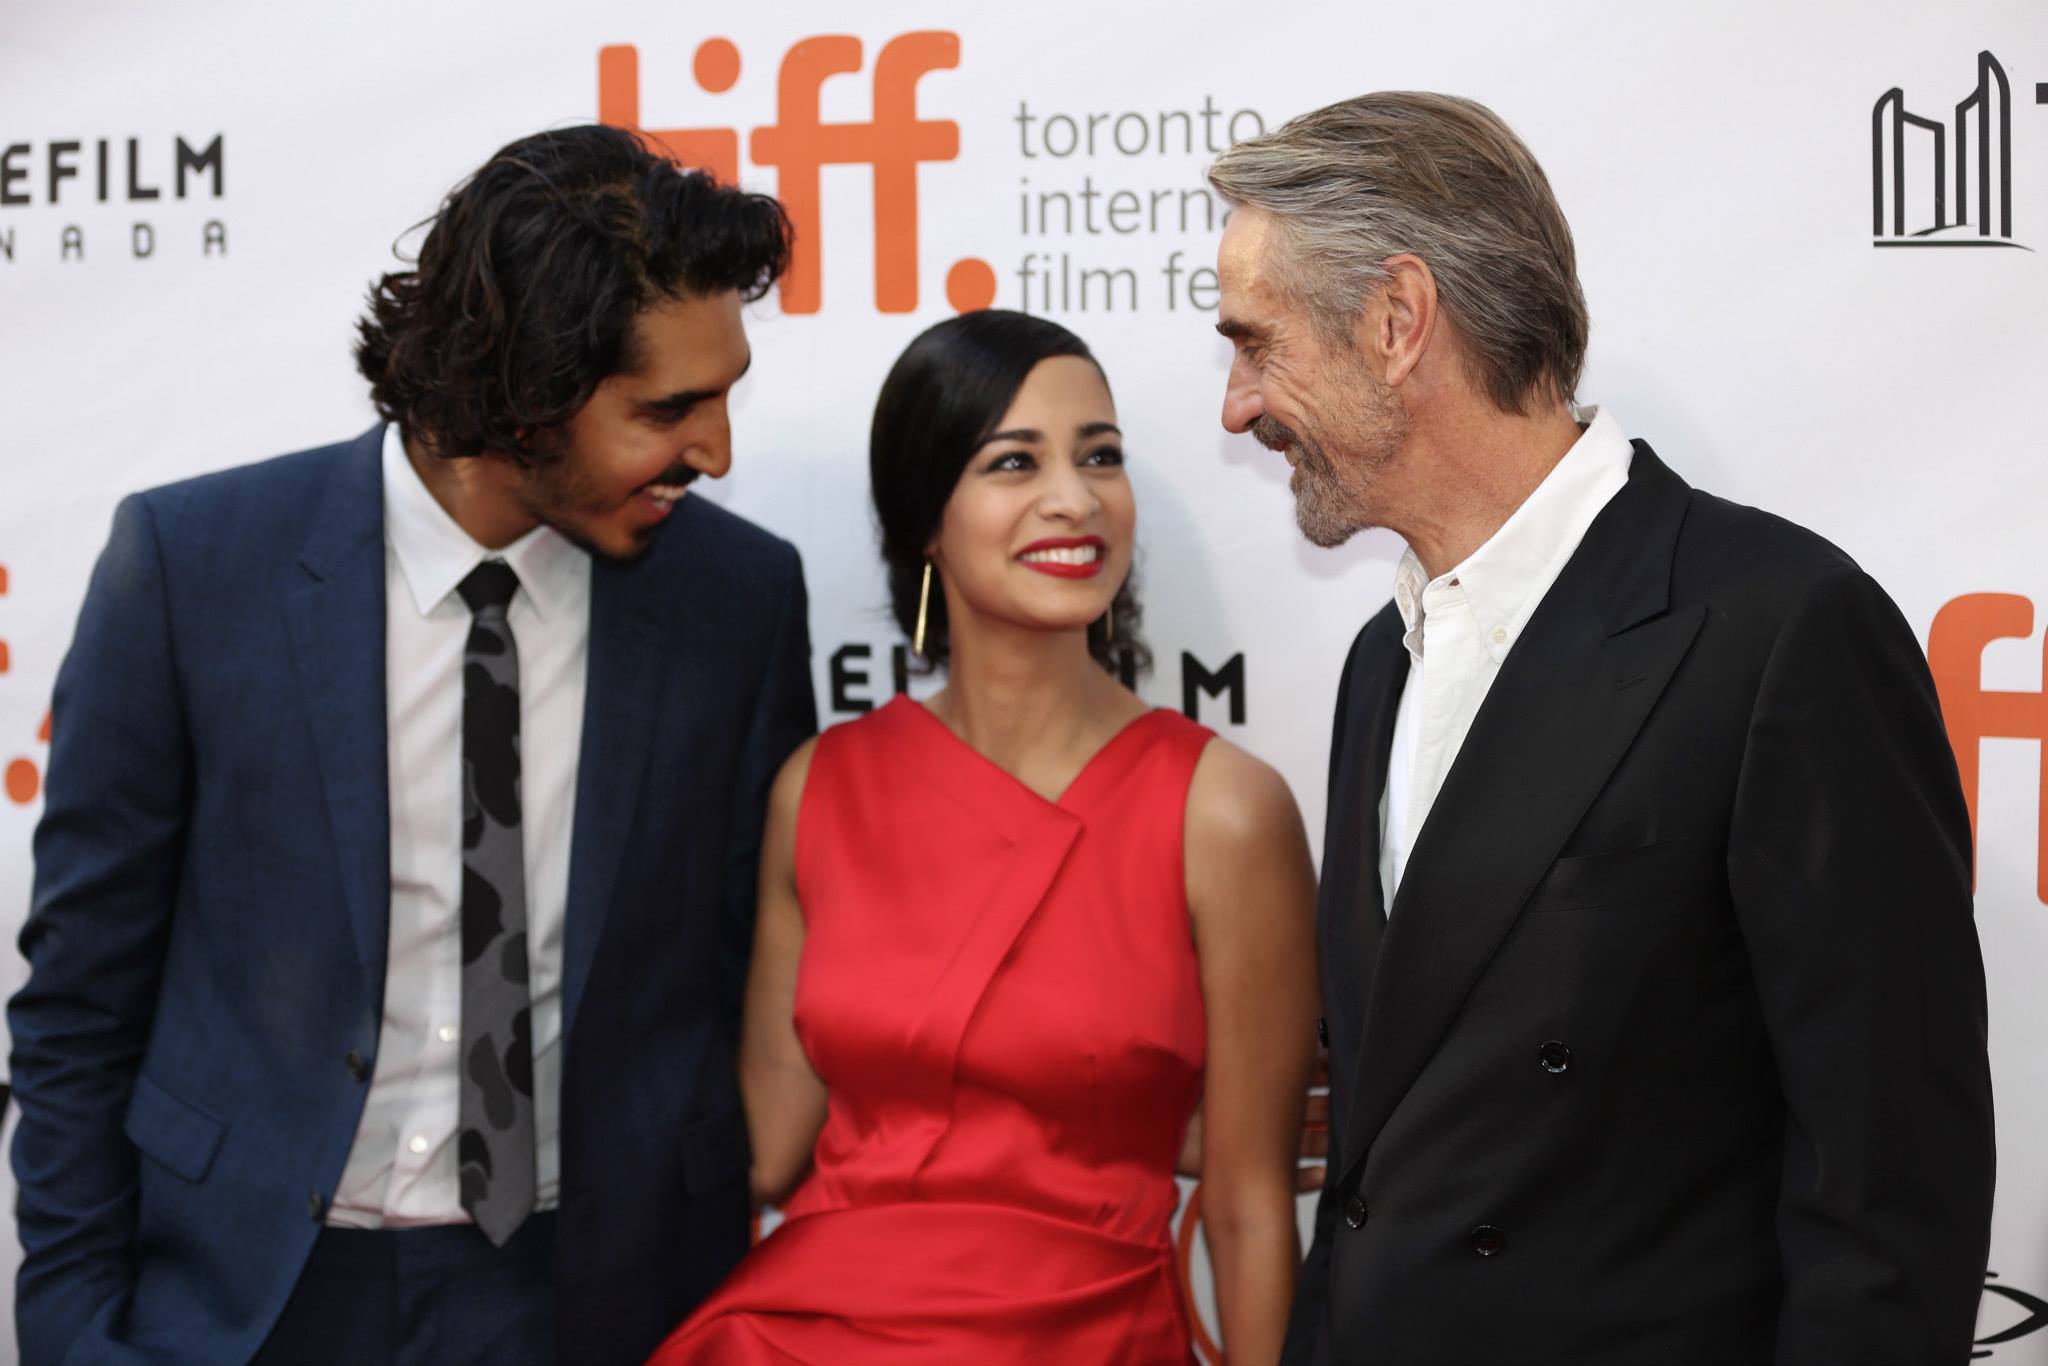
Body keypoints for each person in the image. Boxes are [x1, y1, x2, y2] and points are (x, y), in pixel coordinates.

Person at [1206, 93, 1996, 1365]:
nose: (1236, 407)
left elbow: (1888, 1186)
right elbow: (1372, 1175)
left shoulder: (1775, 631)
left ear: (1397, 321)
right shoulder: (1376, 666)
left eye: (1256, 343)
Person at [8, 125, 814, 1366]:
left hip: (597, 1296)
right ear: (526, 392)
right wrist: (70, 1328)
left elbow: (733, 972)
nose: (714, 451)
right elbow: (80, 998)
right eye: (669, 409)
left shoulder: (736, 601)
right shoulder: (193, 569)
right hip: (255, 1296)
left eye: (723, 393)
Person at [647, 310, 1319, 1366]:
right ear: (926, 516)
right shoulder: (819, 789)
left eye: (1100, 456)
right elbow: (762, 1150)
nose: (1074, 496)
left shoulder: (1223, 812)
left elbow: (1244, 1206)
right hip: (808, 1336)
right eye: (1014, 461)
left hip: (1091, 1337)